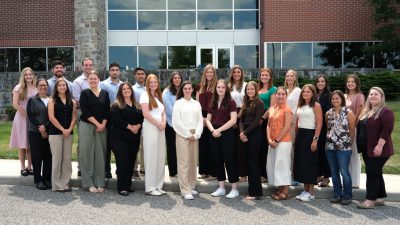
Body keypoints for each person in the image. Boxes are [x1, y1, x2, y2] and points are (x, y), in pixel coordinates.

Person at [356, 87, 394, 209]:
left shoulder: (385, 112)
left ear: (381, 97)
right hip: (367, 149)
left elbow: (387, 130)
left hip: (378, 150)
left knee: (371, 173)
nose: (372, 96)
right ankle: (380, 197)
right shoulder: (367, 111)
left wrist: (379, 145)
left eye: (376, 94)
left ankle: (370, 201)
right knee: (376, 173)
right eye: (371, 94)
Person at [205, 80, 239, 198]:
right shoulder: (213, 102)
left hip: (227, 133)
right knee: (217, 160)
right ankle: (221, 188)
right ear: (216, 89)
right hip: (214, 133)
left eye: (223, 87)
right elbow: (207, 120)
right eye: (218, 87)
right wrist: (213, 130)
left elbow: (233, 120)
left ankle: (234, 189)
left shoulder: (231, 102)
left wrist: (219, 130)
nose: (220, 89)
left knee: (229, 160)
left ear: (226, 89)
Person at [109, 82, 143, 196]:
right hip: (119, 138)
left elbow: (141, 119)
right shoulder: (116, 105)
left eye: (128, 88)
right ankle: (121, 187)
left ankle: (128, 185)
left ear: (131, 91)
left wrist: (138, 126)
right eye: (124, 89)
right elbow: (115, 120)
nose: (127, 90)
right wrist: (129, 127)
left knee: (131, 161)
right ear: (120, 91)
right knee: (122, 161)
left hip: (134, 138)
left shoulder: (137, 105)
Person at [79, 70, 110, 193]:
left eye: (95, 78)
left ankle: (100, 182)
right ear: (87, 80)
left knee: (100, 154)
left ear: (99, 80)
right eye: (90, 79)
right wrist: (97, 124)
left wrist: (103, 124)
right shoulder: (84, 93)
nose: (93, 80)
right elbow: (85, 111)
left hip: (102, 126)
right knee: (86, 154)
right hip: (87, 126)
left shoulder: (105, 93)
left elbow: (107, 110)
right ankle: (88, 183)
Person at [172, 81, 203, 200]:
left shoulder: (196, 104)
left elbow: (200, 120)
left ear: (193, 90)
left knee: (193, 162)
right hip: (182, 135)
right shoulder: (178, 103)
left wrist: (196, 134)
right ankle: (185, 190)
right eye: (185, 88)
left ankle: (191, 186)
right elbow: (176, 122)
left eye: (190, 88)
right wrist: (186, 134)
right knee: (183, 162)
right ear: (182, 90)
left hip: (194, 135)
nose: (188, 90)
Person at [325, 90, 356, 205]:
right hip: (330, 147)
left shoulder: (348, 112)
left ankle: (347, 195)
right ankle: (337, 194)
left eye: (337, 98)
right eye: (333, 99)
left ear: (342, 99)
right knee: (334, 172)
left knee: (344, 172)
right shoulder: (328, 113)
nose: (335, 100)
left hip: (344, 148)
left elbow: (352, 130)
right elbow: (328, 129)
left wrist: (349, 144)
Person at [294, 84, 322, 202]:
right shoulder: (300, 104)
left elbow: (319, 123)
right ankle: (305, 190)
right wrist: (295, 137)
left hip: (311, 135)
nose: (305, 93)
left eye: (308, 92)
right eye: (304, 92)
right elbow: (297, 122)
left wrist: (315, 139)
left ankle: (311, 192)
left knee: (310, 163)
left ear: (313, 93)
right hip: (301, 135)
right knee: (302, 163)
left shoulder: (316, 105)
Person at [48, 79, 76, 192]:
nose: (62, 87)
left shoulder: (72, 101)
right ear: (56, 87)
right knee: (57, 159)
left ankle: (65, 183)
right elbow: (51, 117)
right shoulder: (52, 101)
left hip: (69, 133)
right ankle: (57, 185)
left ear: (67, 87)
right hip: (55, 133)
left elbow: (74, 117)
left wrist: (69, 129)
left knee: (67, 159)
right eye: (59, 85)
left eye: (64, 85)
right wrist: (62, 129)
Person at [140, 74, 167, 196]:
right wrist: (158, 124)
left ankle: (158, 185)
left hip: (161, 128)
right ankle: (150, 187)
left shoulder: (158, 96)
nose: (153, 84)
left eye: (155, 82)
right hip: (151, 127)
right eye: (151, 82)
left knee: (160, 156)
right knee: (151, 156)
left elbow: (163, 112)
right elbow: (145, 114)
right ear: (147, 83)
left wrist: (164, 123)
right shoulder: (144, 95)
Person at [10, 67, 38, 176]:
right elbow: (15, 104)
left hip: (33, 118)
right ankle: (22, 167)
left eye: (30, 74)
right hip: (21, 117)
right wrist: (27, 115)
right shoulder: (18, 88)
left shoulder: (36, 88)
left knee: (31, 143)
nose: (29, 76)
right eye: (26, 75)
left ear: (33, 76)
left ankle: (30, 167)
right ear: (23, 76)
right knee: (22, 143)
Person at [267, 87, 293, 200]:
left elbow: (287, 127)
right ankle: (280, 189)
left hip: (283, 142)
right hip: (272, 142)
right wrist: (269, 139)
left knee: (283, 166)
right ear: (275, 95)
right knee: (275, 166)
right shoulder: (272, 108)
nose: (281, 96)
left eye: (283, 94)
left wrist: (277, 140)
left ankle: (285, 191)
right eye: (279, 94)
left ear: (286, 96)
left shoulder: (287, 110)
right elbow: (268, 125)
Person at [239, 81, 264, 200]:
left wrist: (245, 133)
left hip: (255, 135)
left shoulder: (259, 102)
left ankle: (256, 192)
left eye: (252, 89)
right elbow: (240, 120)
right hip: (245, 135)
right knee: (248, 162)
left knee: (253, 163)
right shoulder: (246, 102)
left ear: (256, 90)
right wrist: (241, 132)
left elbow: (256, 122)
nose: (250, 91)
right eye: (248, 89)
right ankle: (251, 190)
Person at [26, 78, 51, 190]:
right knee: (37, 157)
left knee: (48, 156)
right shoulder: (32, 100)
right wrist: (40, 128)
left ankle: (46, 178)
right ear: (37, 86)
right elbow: (30, 115)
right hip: (35, 132)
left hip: (49, 131)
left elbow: (53, 116)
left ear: (48, 86)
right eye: (41, 85)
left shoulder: (52, 99)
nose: (43, 87)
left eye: (45, 85)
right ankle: (38, 180)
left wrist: (45, 127)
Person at [100, 62, 123, 179]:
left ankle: (120, 170)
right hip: (107, 118)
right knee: (106, 145)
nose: (115, 72)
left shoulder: (123, 85)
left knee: (119, 145)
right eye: (112, 70)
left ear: (119, 72)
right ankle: (106, 170)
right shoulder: (103, 85)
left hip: (120, 119)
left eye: (117, 70)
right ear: (109, 72)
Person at [72, 58, 94, 177]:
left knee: (94, 140)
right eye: (86, 65)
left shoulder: (96, 79)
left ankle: (92, 165)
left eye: (90, 65)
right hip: (82, 113)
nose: (88, 67)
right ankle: (81, 167)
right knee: (83, 140)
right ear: (82, 66)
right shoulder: (78, 82)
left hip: (96, 114)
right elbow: (77, 100)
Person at [196, 64, 218, 180]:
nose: (209, 74)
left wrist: (209, 118)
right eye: (207, 72)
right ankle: (204, 171)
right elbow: (196, 103)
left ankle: (213, 173)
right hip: (202, 117)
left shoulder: (217, 86)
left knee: (212, 145)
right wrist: (201, 118)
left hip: (213, 117)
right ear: (204, 74)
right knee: (203, 144)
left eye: (211, 72)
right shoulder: (200, 86)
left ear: (214, 74)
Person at [227, 65, 247, 182]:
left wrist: (238, 117)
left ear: (241, 73)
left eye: (238, 72)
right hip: (230, 116)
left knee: (241, 148)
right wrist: (232, 119)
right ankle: (233, 173)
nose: (236, 74)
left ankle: (243, 174)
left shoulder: (245, 86)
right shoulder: (229, 86)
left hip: (242, 115)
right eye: (234, 72)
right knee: (231, 147)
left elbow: (246, 102)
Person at [344, 74, 364, 189]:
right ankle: (348, 180)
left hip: (353, 128)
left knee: (354, 154)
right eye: (348, 81)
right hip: (343, 129)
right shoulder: (344, 95)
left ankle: (355, 182)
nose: (350, 83)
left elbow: (358, 115)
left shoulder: (359, 96)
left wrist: (352, 128)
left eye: (353, 82)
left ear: (357, 84)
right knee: (346, 155)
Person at [258, 67, 277, 183]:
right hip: (256, 119)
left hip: (265, 120)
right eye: (262, 75)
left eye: (266, 75)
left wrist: (262, 118)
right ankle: (258, 173)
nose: (264, 77)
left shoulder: (273, 89)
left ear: (270, 77)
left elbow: (271, 107)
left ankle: (264, 174)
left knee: (264, 147)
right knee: (257, 147)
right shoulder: (258, 88)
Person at [162, 71, 182, 177]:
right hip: (171, 124)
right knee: (172, 148)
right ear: (172, 80)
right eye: (175, 78)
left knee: (181, 148)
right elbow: (169, 110)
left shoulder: (184, 90)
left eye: (179, 78)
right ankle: (173, 171)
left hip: (183, 125)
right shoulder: (167, 92)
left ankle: (181, 170)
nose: (177, 79)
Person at [284, 69, 301, 186]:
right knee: (285, 151)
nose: (289, 78)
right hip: (283, 124)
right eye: (287, 76)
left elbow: (297, 108)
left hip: (292, 124)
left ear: (295, 78)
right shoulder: (284, 90)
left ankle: (294, 176)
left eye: (291, 76)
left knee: (292, 151)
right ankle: (285, 175)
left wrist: (291, 121)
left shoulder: (298, 91)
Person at [314, 74, 332, 187]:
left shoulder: (328, 96)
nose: (320, 83)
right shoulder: (315, 95)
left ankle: (326, 177)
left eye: (322, 81)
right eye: (318, 81)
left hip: (324, 127)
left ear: (326, 83)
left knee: (324, 153)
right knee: (318, 153)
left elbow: (328, 114)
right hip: (314, 127)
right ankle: (319, 174)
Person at [132, 67, 147, 177]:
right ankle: (134, 168)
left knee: (145, 145)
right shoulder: (132, 89)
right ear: (135, 76)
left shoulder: (149, 88)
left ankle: (143, 168)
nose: (141, 75)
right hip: (136, 119)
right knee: (135, 145)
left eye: (142, 74)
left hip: (147, 119)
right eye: (138, 74)